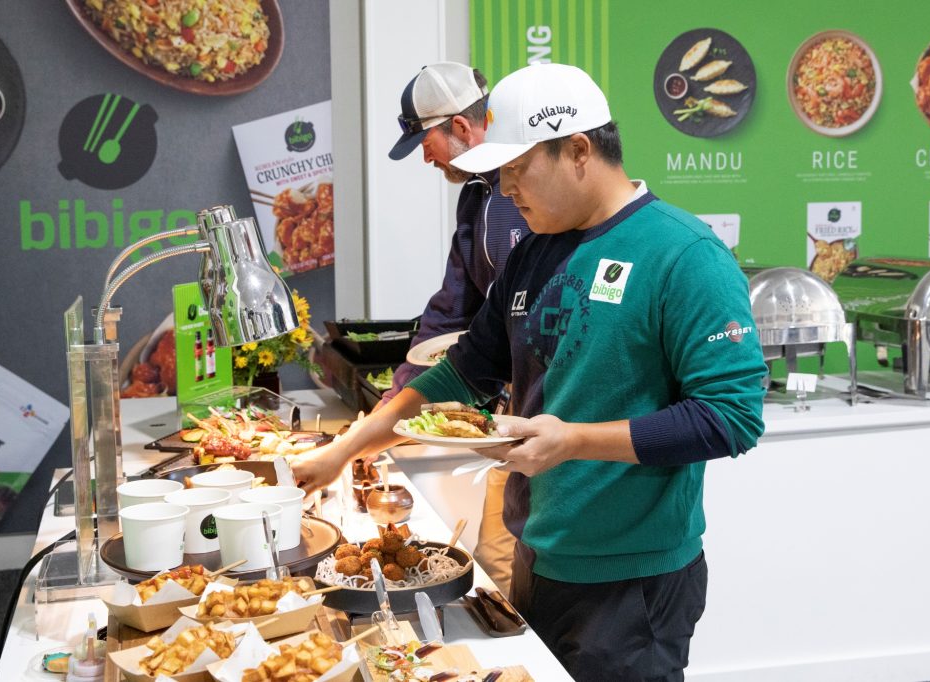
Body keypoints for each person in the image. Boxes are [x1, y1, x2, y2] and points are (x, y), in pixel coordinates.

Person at [293, 63, 766, 682]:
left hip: (633, 579)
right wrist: (348, 446)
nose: (506, 188)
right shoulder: (533, 253)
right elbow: (463, 374)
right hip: (538, 556)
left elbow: (731, 419)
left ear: (578, 150)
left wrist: (572, 442)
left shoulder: (684, 254)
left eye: (518, 170)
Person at [384, 62, 532, 593]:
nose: (425, 156)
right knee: (496, 560)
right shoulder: (474, 198)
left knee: (514, 561)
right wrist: (401, 390)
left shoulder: (531, 197)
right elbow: (454, 305)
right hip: (511, 410)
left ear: (462, 128)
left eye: (426, 141)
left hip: (554, 414)